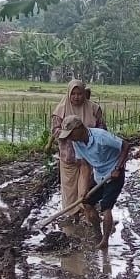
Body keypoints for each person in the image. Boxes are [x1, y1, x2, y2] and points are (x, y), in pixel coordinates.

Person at [59, 115, 132, 249]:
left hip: (114, 174)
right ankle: (97, 231)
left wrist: (118, 167)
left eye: (71, 134)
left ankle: (105, 241)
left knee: (106, 207)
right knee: (86, 203)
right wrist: (84, 189)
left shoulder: (101, 136)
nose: (70, 137)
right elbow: (85, 166)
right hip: (99, 175)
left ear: (79, 128)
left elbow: (126, 145)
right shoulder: (76, 143)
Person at [49, 79, 104, 216]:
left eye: (79, 93)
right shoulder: (60, 110)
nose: (76, 97)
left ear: (84, 94)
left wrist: (89, 135)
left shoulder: (94, 109)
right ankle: (71, 214)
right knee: (69, 188)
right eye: (73, 94)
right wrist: (69, 134)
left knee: (86, 190)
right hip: (69, 156)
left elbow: (102, 128)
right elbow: (55, 130)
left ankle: (86, 213)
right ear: (68, 94)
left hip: (89, 156)